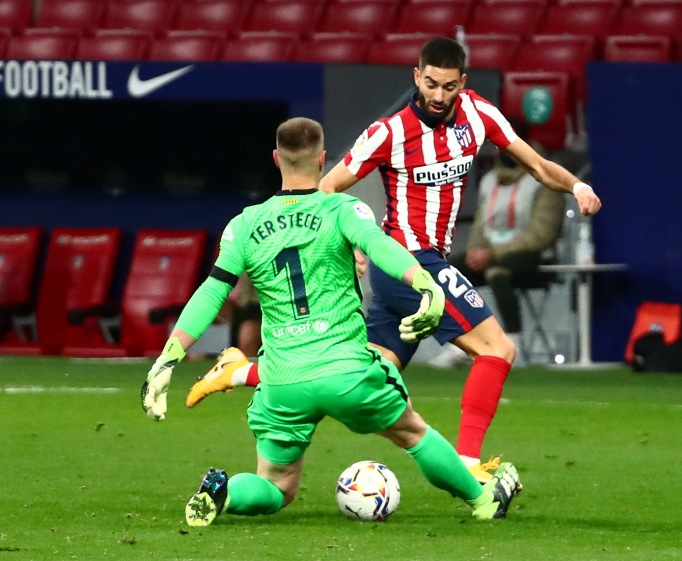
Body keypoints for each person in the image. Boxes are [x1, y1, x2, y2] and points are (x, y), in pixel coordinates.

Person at [186, 37, 602, 483]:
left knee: (368, 370)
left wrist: (576, 187)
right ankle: (468, 465)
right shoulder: (389, 133)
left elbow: (536, 165)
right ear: (416, 78)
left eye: (447, 86)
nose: (438, 96)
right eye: (429, 84)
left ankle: (242, 371)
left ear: (462, 83)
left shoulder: (480, 115)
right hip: (409, 263)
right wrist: (350, 245)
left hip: (418, 266)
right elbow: (324, 191)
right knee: (497, 349)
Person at [141, 117, 521, 525]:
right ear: (323, 160)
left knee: (276, 486)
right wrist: (425, 284)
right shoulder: (342, 208)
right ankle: (482, 501)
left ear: (275, 159)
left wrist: (169, 357)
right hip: (346, 372)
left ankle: (225, 491)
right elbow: (380, 246)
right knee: (412, 431)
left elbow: (212, 291)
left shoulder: (244, 224)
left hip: (281, 379)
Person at [435, 134, 566, 367]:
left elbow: (541, 234)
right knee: (446, 273)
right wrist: (476, 252)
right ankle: (460, 346)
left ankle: (511, 349)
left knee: (498, 273)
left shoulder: (543, 180)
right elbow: (480, 225)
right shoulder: (489, 181)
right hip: (490, 255)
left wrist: (493, 253)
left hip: (534, 258)